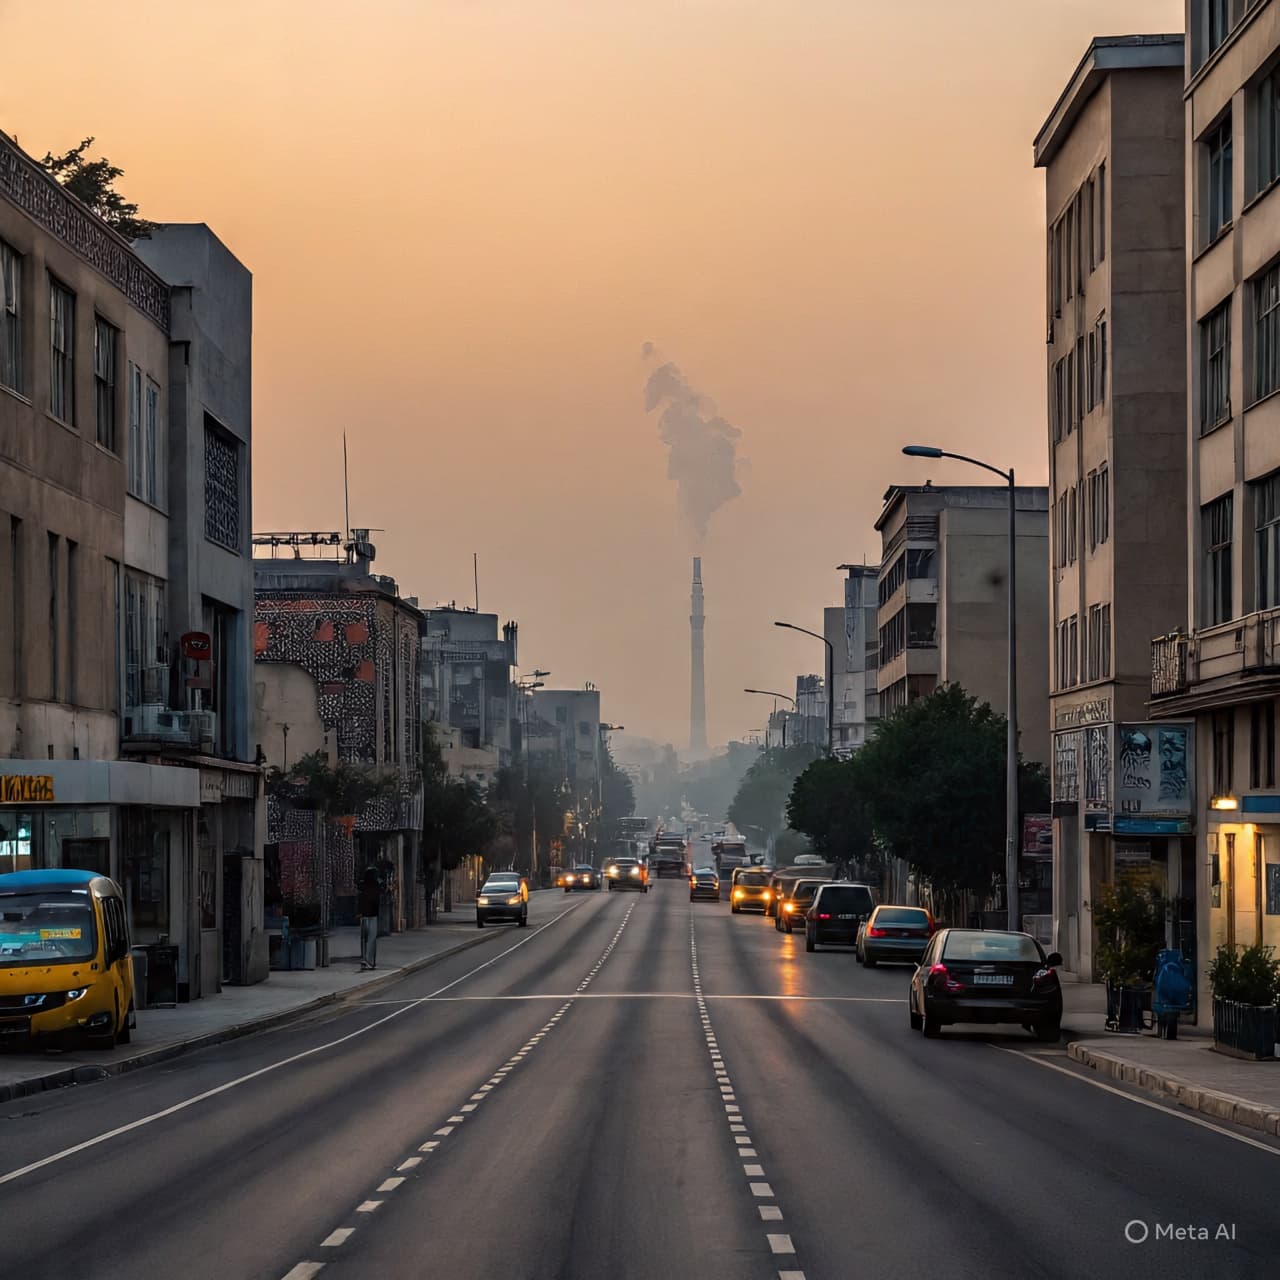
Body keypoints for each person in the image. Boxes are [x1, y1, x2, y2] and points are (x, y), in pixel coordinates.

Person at [358, 866, 381, 970]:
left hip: (364, 916)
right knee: (371, 939)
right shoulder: (377, 885)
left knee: (364, 939)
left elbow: (360, 899)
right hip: (373, 915)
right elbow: (382, 892)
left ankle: (364, 959)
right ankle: (370, 962)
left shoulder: (362, 885)